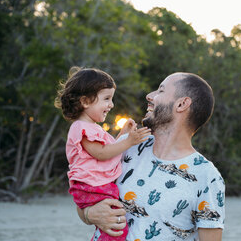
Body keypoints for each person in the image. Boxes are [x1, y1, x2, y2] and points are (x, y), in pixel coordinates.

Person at [78, 72, 226, 241]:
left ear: (182, 104)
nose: (149, 96)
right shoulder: (125, 146)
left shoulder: (207, 176)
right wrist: (89, 214)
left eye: (161, 91)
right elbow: (84, 196)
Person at [55, 67, 151, 241]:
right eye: (106, 99)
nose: (111, 105)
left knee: (113, 222)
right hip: (92, 186)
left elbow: (110, 148)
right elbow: (101, 153)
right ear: (85, 101)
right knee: (115, 224)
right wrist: (129, 141)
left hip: (97, 185)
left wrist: (124, 134)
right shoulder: (81, 128)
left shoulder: (93, 128)